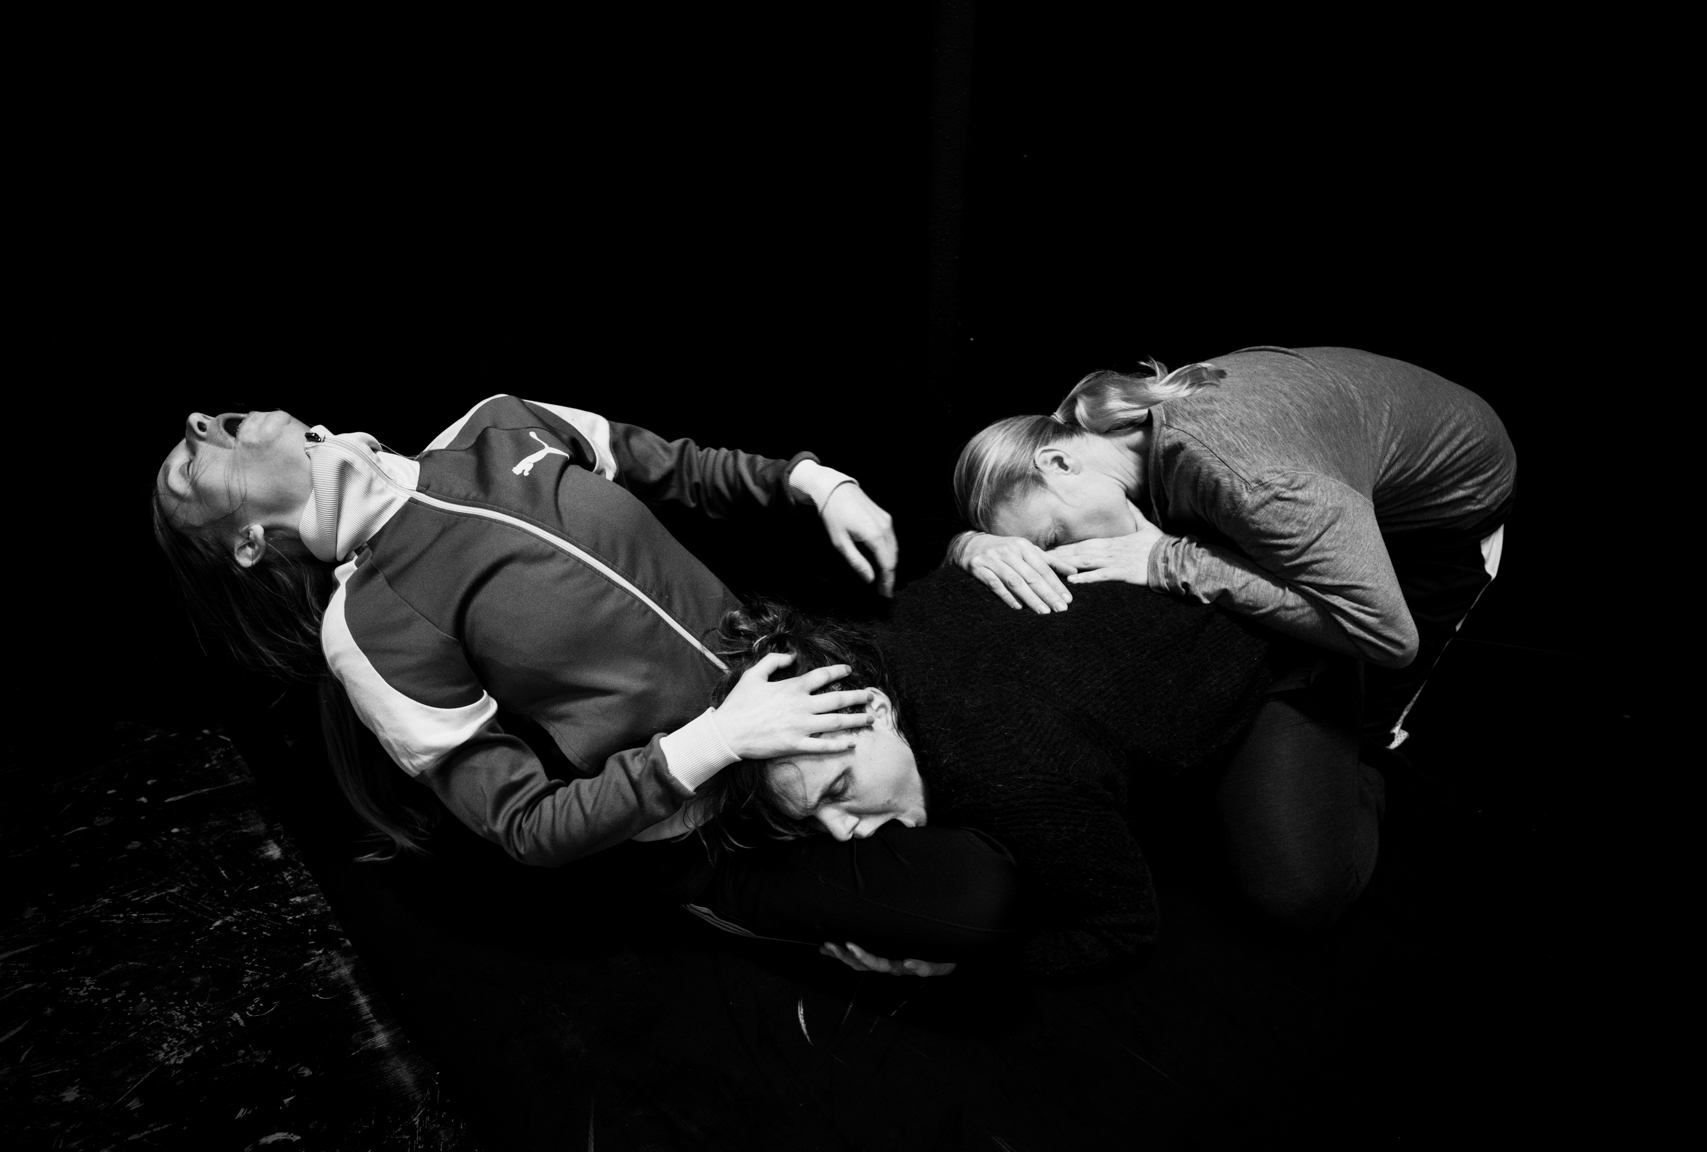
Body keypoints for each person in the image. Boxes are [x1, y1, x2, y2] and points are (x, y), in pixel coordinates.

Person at [151, 395, 902, 864]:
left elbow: (678, 467)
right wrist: (719, 739)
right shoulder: (365, 628)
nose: (197, 421)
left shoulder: (496, 424)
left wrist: (813, 483)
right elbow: (525, 824)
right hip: (710, 840)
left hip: (822, 713)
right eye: (186, 470)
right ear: (247, 545)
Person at [687, 567, 1380, 980]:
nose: (842, 832)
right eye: (813, 819)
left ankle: (1366, 757)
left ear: (873, 709)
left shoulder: (1008, 775)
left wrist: (964, 967)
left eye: (838, 790)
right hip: (1167, 626)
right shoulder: (881, 636)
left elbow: (1120, 930)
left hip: (1283, 652)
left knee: (1297, 896)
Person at [948, 346, 1516, 753]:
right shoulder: (1099, 431)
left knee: (1370, 725)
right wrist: (968, 545)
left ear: (1058, 462)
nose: (1063, 556)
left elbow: (1389, 638)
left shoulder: (1258, 486)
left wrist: (1173, 561)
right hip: (1338, 465)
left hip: (1446, 514)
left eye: (1052, 540)